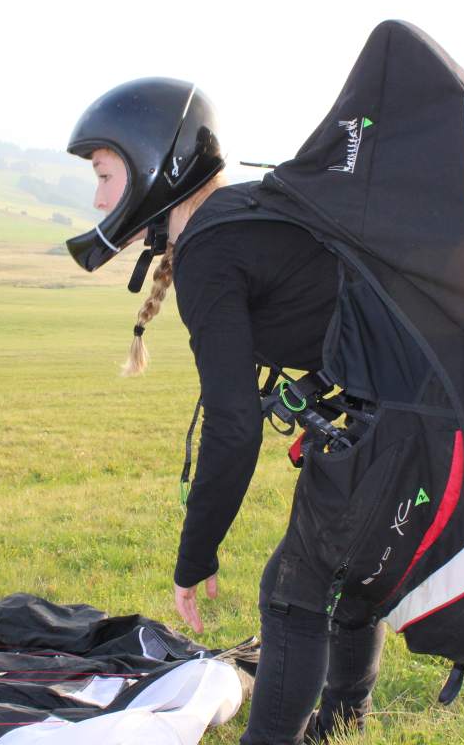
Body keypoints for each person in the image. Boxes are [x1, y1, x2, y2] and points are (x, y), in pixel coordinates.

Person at [65, 78, 386, 745]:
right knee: (343, 567)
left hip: (407, 411)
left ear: (155, 165)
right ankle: (343, 724)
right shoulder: (242, 215)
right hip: (408, 403)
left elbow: (233, 424)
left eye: (104, 175)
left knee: (292, 593)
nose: (97, 199)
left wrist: (195, 556)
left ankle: (311, 729)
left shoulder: (210, 250)